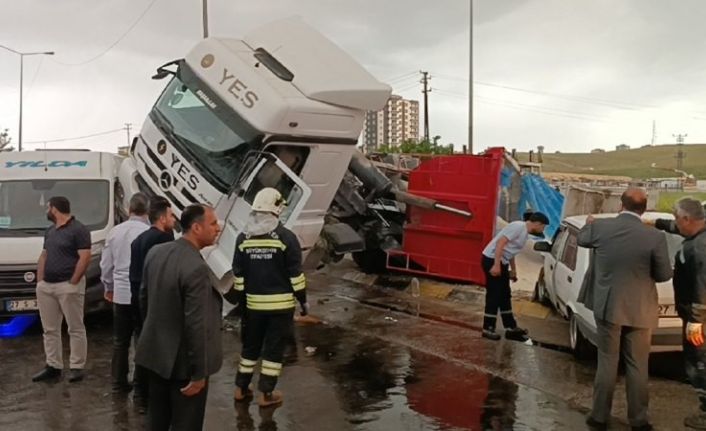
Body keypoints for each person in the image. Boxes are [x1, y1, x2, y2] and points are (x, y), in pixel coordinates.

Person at [578, 188, 672, 431]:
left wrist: (589, 223)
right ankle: (639, 420)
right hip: (641, 309)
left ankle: (599, 416)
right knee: (638, 365)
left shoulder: (601, 228)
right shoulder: (655, 237)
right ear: (644, 209)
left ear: (621, 205)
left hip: (609, 306)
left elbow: (581, 239)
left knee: (608, 361)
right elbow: (663, 276)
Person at [135, 204, 228, 431]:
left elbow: (144, 300)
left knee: (157, 421)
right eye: (213, 223)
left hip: (155, 357)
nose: (218, 228)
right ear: (196, 228)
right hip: (184, 367)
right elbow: (198, 324)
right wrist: (198, 374)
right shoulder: (196, 267)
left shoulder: (156, 253)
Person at [233, 188, 309, 407]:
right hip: (280, 308)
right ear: (277, 209)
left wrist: (242, 304)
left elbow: (238, 275)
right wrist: (303, 301)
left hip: (253, 307)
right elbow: (296, 276)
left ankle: (241, 388)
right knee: (273, 350)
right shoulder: (286, 237)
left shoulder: (242, 238)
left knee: (250, 347)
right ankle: (266, 395)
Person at [649, 198, 706, 429]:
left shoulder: (699, 249)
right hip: (697, 316)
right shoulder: (696, 233)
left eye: (677, 220)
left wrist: (695, 321)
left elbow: (702, 288)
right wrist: (655, 223)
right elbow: (677, 228)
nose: (676, 225)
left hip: (700, 320)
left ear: (687, 219)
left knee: (699, 363)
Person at [32, 196, 92, 383]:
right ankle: (53, 365)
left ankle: (76, 366)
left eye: (48, 207)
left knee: (75, 327)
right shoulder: (50, 231)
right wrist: (40, 280)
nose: (46, 211)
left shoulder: (79, 230)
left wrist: (74, 281)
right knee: (50, 329)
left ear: (55, 209)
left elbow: (85, 257)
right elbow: (44, 255)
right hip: (47, 286)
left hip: (68, 285)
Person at [100, 193, 150, 394]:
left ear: (129, 209)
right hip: (141, 293)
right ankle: (140, 383)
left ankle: (118, 383)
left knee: (120, 341)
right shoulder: (148, 233)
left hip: (120, 293)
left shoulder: (115, 232)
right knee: (141, 338)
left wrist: (108, 287)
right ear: (147, 210)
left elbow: (106, 265)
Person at [480, 212, 549, 342]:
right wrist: (496, 265)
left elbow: (510, 251)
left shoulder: (524, 233)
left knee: (505, 294)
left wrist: (513, 270)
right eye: (543, 227)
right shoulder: (518, 227)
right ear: (537, 224)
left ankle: (511, 328)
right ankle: (488, 328)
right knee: (494, 295)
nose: (542, 230)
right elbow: (500, 243)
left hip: (502, 261)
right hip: (491, 259)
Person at [129, 195, 176, 319]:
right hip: (155, 300)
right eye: (171, 215)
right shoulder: (164, 239)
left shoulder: (139, 239)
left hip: (136, 296)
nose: (174, 219)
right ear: (162, 219)